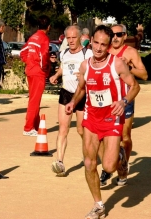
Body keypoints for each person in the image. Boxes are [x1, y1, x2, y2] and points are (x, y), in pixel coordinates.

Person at [65, 24, 140, 219]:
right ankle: (98, 205)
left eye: (103, 45)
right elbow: (81, 88)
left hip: (112, 119)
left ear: (109, 47)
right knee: (89, 163)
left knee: (108, 167)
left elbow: (135, 86)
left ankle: (121, 155)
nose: (98, 48)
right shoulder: (85, 65)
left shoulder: (117, 64)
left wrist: (124, 102)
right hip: (91, 119)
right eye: (96, 43)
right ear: (90, 42)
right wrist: (73, 102)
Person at [98, 23, 147, 186]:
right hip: (106, 100)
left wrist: (128, 68)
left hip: (125, 99)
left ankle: (123, 169)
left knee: (124, 137)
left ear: (125, 36)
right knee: (103, 136)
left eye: (119, 35)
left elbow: (144, 75)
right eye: (113, 35)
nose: (116, 38)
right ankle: (107, 168)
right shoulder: (105, 50)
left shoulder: (131, 52)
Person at [48, 25, 93, 176]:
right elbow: (63, 67)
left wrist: (85, 77)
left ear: (80, 37)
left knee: (81, 130)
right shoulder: (64, 52)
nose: (71, 41)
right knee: (63, 128)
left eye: (74, 37)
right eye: (68, 38)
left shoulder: (88, 54)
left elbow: (95, 72)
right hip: (66, 93)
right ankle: (60, 162)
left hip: (82, 95)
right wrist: (56, 76)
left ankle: (90, 153)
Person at [20, 15, 51, 136]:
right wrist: (44, 68)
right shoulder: (44, 38)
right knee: (34, 100)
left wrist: (28, 61)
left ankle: (35, 126)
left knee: (34, 99)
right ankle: (28, 128)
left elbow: (23, 51)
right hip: (38, 72)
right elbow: (44, 56)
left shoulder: (33, 37)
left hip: (30, 70)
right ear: (48, 27)